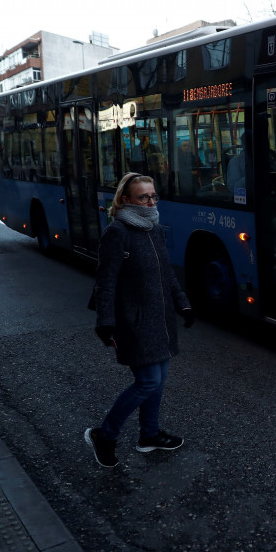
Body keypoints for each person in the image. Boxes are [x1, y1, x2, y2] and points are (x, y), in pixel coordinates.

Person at [85, 173, 194, 468]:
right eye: (143, 197)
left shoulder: (154, 229)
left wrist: (182, 304)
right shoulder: (117, 232)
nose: (150, 202)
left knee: (157, 383)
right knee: (147, 382)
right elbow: (105, 282)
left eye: (153, 196)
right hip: (133, 323)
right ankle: (104, 435)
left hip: (161, 319)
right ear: (125, 200)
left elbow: (166, 273)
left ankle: (149, 435)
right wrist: (105, 322)